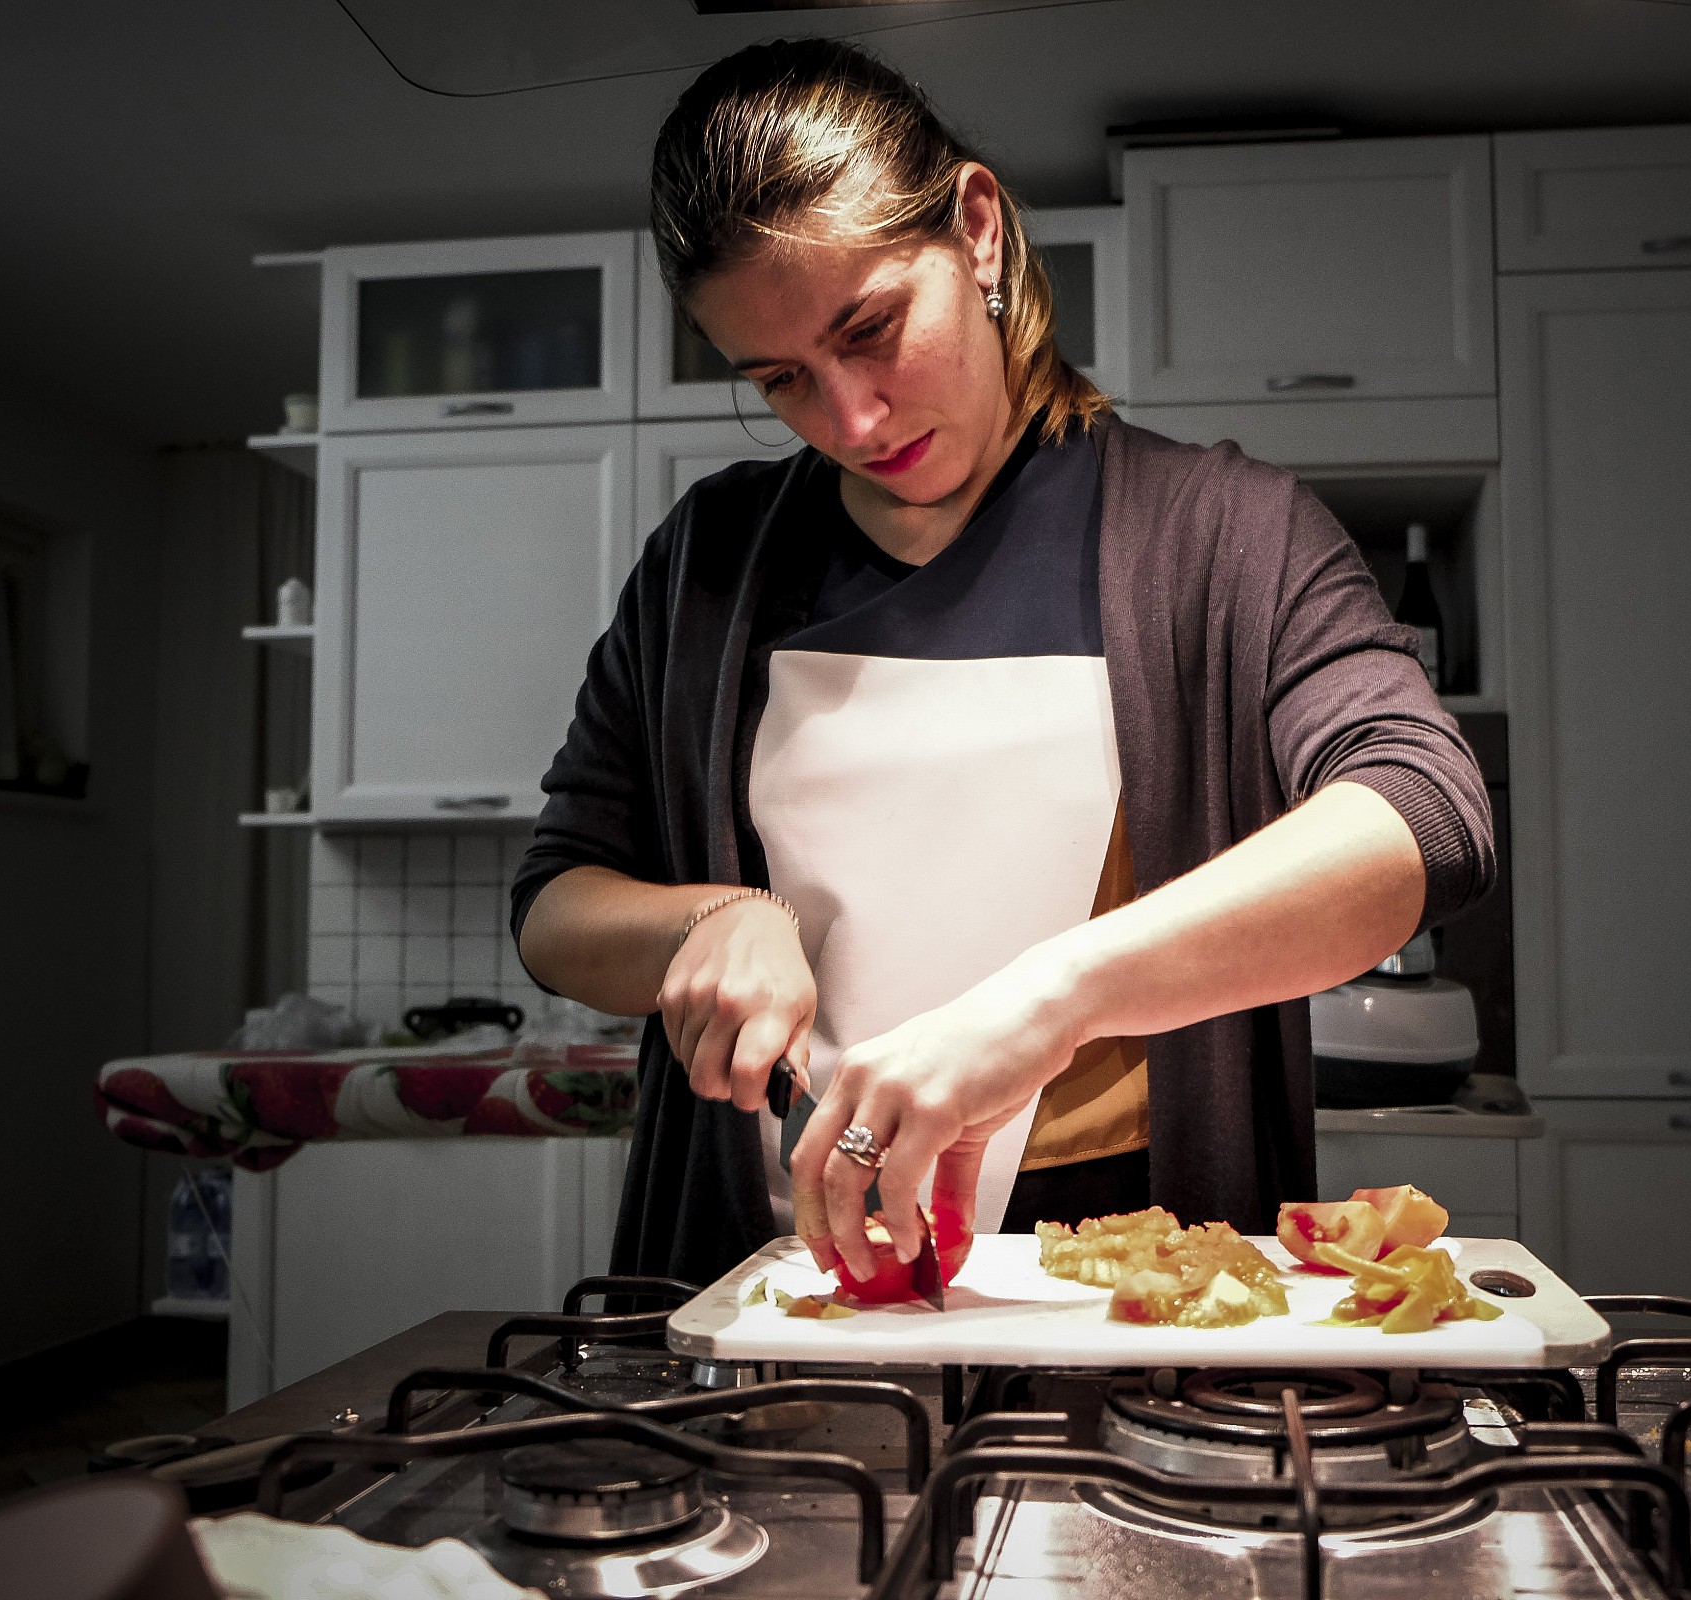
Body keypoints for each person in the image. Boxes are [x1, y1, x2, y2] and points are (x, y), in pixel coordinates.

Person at [512, 38, 1494, 1291]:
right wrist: (707, 919)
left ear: (977, 230)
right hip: (775, 1279)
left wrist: (1045, 1003)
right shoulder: (709, 559)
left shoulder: (1222, 532)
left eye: (871, 329)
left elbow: (1429, 815)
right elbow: (554, 901)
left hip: (1117, 1275)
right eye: (781, 380)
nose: (850, 421)